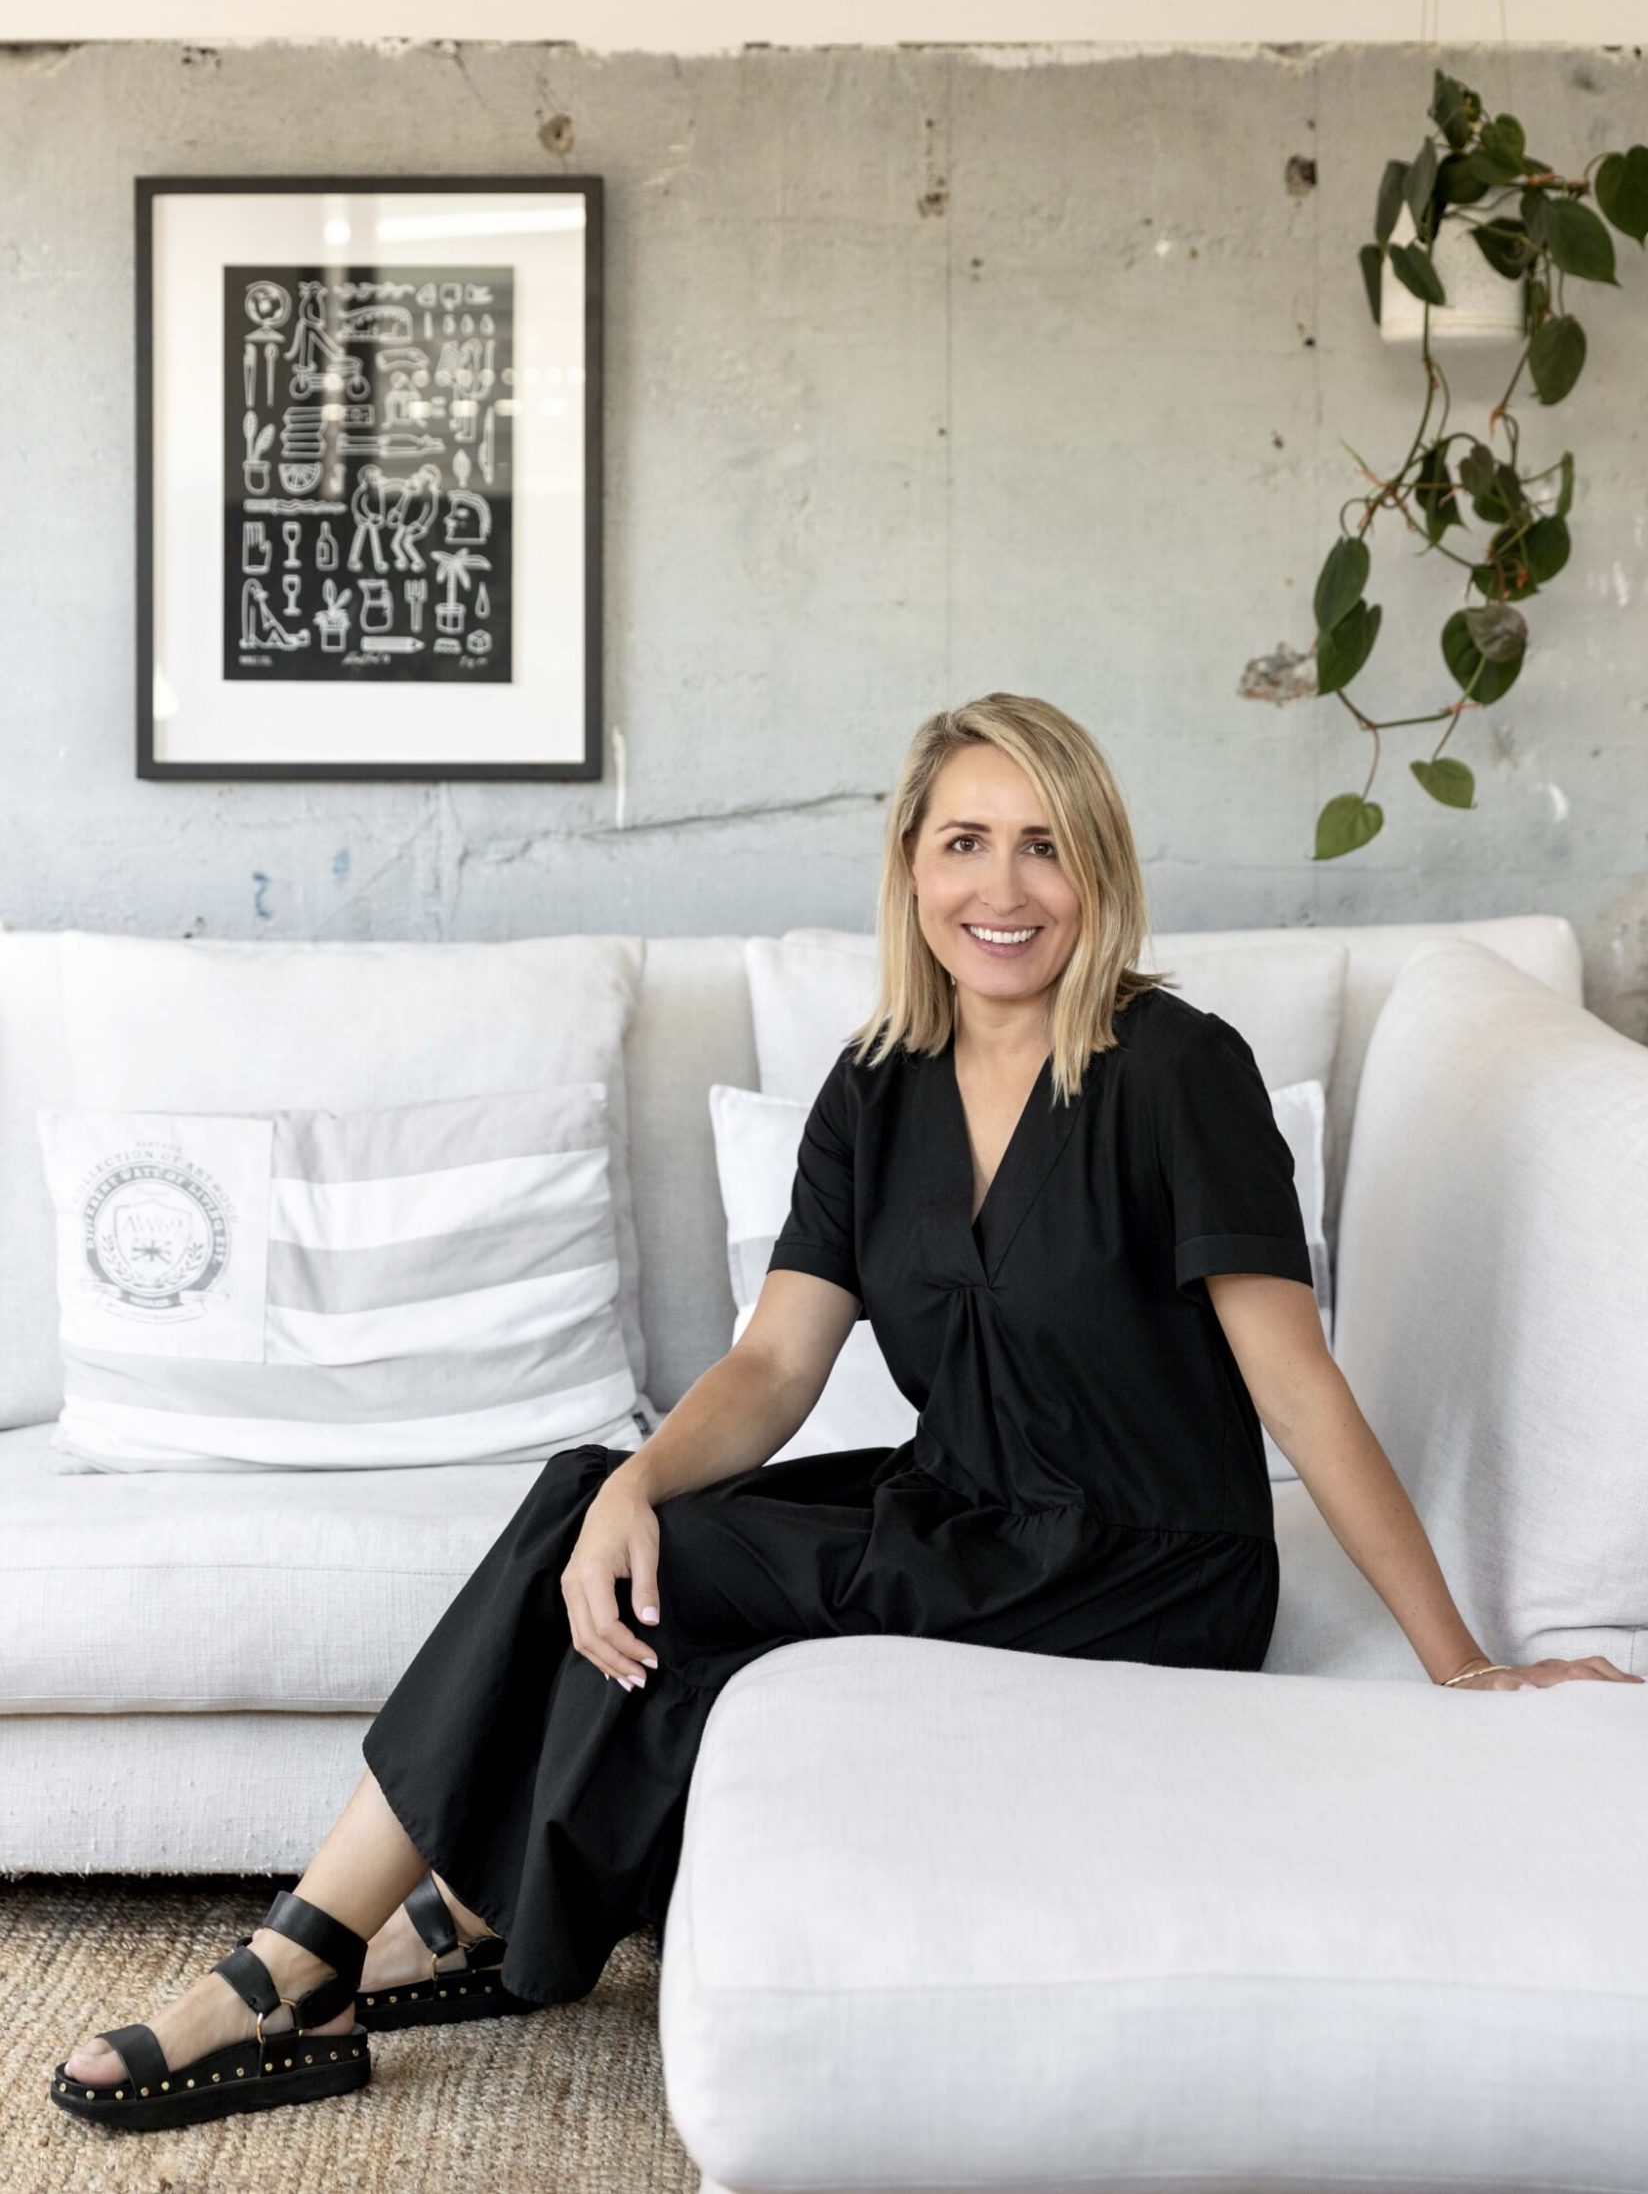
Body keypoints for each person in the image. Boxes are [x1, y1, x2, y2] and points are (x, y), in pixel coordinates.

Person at [52, 691, 1642, 2132]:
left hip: (1146, 1562)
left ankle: (296, 1957)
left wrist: (1459, 1659)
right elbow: (773, 1369)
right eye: (966, 843)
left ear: (1097, 873)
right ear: (911, 865)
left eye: (1043, 848)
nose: (1002, 890)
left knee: (624, 1544)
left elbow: (1299, 1385)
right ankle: (475, 1923)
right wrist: (639, 1486)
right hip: (967, 1511)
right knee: (602, 1519)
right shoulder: (878, 1083)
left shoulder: (1178, 1071)